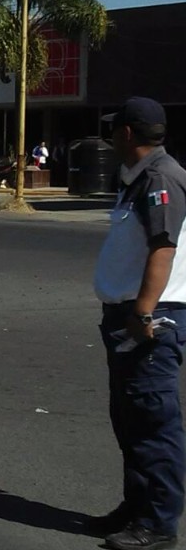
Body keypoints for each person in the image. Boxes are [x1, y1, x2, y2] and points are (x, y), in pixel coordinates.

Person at [92, 96, 186, 550]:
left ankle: (158, 523)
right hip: (129, 317)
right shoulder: (136, 178)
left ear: (127, 134)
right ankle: (137, 508)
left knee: (153, 423)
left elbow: (163, 248)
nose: (111, 137)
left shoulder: (160, 178)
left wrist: (143, 311)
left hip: (150, 320)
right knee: (130, 422)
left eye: (114, 130)